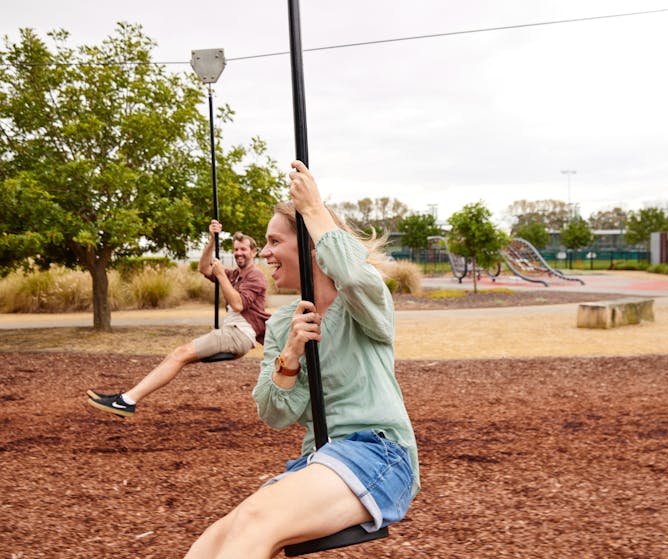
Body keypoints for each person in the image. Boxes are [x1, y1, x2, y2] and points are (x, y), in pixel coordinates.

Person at [184, 160, 419, 558]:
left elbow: (357, 276)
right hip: (319, 458)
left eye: (275, 242)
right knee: (214, 539)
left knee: (257, 518)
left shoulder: (361, 305)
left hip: (380, 453)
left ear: (310, 242)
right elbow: (274, 413)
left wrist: (313, 210)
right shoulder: (281, 324)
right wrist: (290, 357)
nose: (267, 253)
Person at [87, 220, 270, 418]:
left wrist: (221, 275)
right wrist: (211, 241)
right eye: (235, 249)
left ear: (254, 252)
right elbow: (203, 268)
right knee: (177, 357)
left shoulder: (256, 276)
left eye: (243, 249)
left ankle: (126, 401)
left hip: (238, 334)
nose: (239, 253)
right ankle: (127, 398)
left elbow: (238, 304)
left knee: (179, 354)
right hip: (232, 332)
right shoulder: (235, 274)